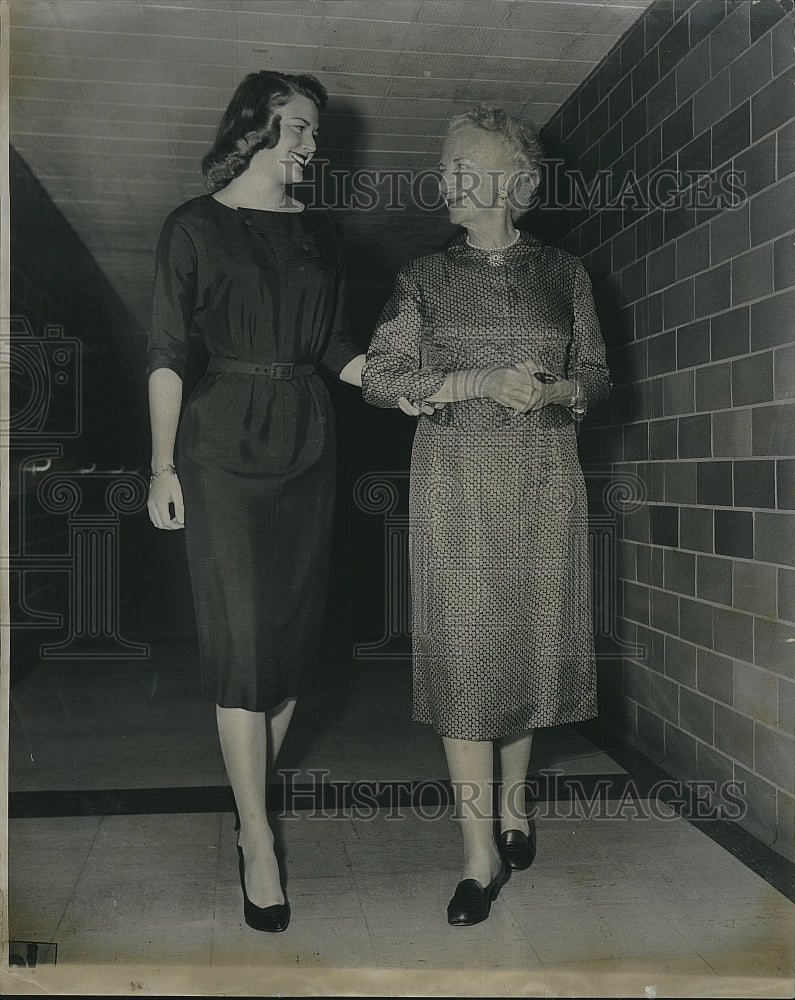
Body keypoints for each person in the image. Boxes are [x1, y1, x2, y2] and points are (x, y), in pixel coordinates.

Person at [361, 106, 610, 926]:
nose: (442, 182)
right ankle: (476, 857)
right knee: (469, 656)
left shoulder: (563, 273)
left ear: (509, 181)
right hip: (457, 482)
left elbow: (598, 380)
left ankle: (513, 810)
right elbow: (381, 376)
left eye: (459, 167)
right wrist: (476, 383)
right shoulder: (423, 278)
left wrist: (556, 389)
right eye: (442, 169)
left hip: (543, 475)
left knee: (529, 642)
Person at [146, 70, 365, 933]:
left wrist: (403, 386)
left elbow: (338, 349)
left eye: (315, 131)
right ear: (255, 128)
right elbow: (166, 348)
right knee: (242, 646)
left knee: (287, 648)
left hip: (309, 443)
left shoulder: (322, 236)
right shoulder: (192, 226)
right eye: (299, 128)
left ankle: (248, 810)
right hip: (219, 451)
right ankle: (258, 837)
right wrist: (162, 466)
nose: (312, 144)